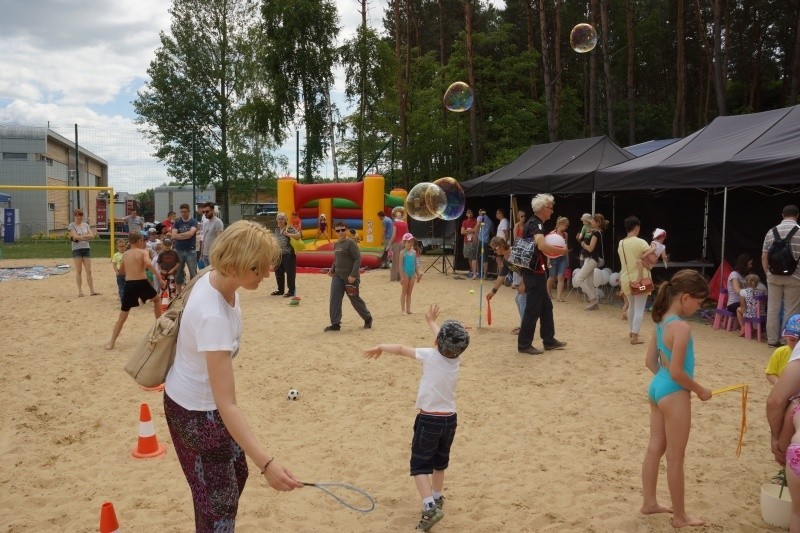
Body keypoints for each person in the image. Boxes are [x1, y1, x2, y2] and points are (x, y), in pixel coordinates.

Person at [163, 220, 303, 531]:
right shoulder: (213, 315)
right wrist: (267, 464)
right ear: (236, 264)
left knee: (235, 474)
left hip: (202, 406)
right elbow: (227, 404)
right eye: (258, 268)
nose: (266, 275)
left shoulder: (221, 282)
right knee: (218, 507)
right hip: (195, 414)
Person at [362, 304, 470, 532]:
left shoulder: (431, 355)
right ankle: (438, 497)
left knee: (420, 466)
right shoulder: (455, 359)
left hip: (429, 420)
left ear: (437, 343)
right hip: (450, 419)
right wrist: (431, 322)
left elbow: (401, 349)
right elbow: (443, 342)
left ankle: (429, 507)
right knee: (440, 463)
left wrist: (381, 346)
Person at [641, 269, 711, 529]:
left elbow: (650, 361)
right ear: (685, 298)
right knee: (675, 457)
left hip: (657, 387)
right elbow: (679, 372)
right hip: (674, 392)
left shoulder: (660, 321)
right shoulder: (681, 327)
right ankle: (679, 516)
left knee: (654, 447)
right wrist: (700, 389)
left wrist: (666, 378)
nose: (698, 306)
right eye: (698, 301)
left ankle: (649, 502)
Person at [517, 194, 568, 355]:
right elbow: (543, 246)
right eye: (550, 208)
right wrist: (562, 251)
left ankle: (549, 339)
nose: (552, 211)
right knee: (533, 309)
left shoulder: (533, 223)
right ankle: (524, 344)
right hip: (534, 272)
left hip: (536, 271)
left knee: (546, 307)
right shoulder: (536, 225)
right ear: (541, 209)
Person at [105, 232, 162, 350]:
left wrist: (131, 270)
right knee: (157, 299)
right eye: (142, 240)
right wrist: (160, 279)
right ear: (139, 241)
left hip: (130, 284)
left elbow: (121, 271)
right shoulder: (143, 252)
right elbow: (148, 264)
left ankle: (112, 342)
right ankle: (159, 325)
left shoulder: (125, 254)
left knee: (123, 315)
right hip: (142, 282)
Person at [762, 205, 800, 347]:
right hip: (795, 278)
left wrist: (767, 274)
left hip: (773, 276)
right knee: (791, 309)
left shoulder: (771, 232)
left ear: (782, 215)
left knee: (773, 308)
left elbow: (764, 256)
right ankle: (786, 341)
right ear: (797, 216)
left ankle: (772, 340)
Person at [324, 220, 373, 331]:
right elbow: (336, 259)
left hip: (350, 277)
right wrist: (332, 269)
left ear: (346, 230)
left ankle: (367, 318)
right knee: (334, 299)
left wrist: (353, 274)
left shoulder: (350, 243)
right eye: (338, 230)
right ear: (335, 231)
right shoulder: (336, 244)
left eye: (342, 230)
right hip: (337, 276)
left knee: (354, 299)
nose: (340, 232)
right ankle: (335, 324)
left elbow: (357, 258)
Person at [618, 216, 653, 345]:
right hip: (640, 280)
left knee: (632, 307)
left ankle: (632, 331)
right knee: (639, 308)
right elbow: (651, 258)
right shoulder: (641, 242)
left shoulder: (621, 243)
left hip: (626, 279)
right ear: (637, 227)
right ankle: (635, 336)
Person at [486, 236, 527, 333]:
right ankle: (524, 325)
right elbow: (502, 276)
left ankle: (525, 328)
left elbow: (527, 269)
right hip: (527, 280)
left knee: (521, 300)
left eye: (494, 248)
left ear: (501, 246)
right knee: (518, 299)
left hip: (532, 279)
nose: (494, 251)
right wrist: (493, 292)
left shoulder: (514, 253)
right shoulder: (506, 258)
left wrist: (523, 284)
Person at [574, 213, 608, 311]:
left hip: (591, 258)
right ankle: (594, 303)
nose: (591, 222)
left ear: (597, 223)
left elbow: (590, 248)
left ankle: (593, 300)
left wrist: (583, 244)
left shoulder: (596, 233)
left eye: (593, 221)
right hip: (592, 259)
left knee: (579, 279)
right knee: (589, 282)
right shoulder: (599, 232)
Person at [68, 208, 99, 297]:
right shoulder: (72, 225)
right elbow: (75, 236)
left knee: (88, 271)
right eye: (78, 215)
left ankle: (92, 290)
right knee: (79, 271)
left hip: (86, 248)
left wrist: (81, 237)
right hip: (77, 250)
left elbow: (91, 236)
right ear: (75, 216)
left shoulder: (86, 225)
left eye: (81, 215)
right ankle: (80, 291)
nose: (80, 217)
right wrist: (84, 237)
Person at [271, 212, 301, 297]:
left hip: (288, 254)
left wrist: (288, 234)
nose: (280, 220)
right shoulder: (276, 230)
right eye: (279, 218)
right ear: (276, 220)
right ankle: (280, 290)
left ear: (286, 220)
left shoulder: (289, 228)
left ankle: (291, 291)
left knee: (290, 273)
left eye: (282, 219)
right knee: (278, 272)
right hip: (278, 254)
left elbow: (299, 235)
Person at [171, 203, 199, 293]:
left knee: (193, 272)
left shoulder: (193, 221)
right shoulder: (177, 222)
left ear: (189, 211)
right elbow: (173, 235)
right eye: (182, 212)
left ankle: (193, 291)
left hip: (191, 250)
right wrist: (185, 235)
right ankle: (179, 292)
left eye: (185, 212)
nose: (183, 214)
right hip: (178, 250)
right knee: (178, 272)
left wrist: (179, 235)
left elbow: (191, 234)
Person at [765, 314, 800, 384]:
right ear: (786, 338)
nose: (797, 345)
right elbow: (770, 373)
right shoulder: (781, 352)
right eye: (792, 340)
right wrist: (779, 384)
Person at [546, 216, 570, 302]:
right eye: (566, 225)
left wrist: (567, 259)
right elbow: (548, 247)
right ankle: (548, 293)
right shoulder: (552, 233)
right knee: (552, 277)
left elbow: (566, 247)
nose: (566, 227)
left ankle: (559, 296)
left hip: (562, 258)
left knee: (561, 277)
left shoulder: (565, 234)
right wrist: (548, 259)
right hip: (553, 257)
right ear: (561, 224)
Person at [399, 232, 422, 314]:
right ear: (404, 242)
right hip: (405, 273)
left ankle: (408, 309)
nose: (411, 243)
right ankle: (403, 309)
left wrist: (418, 273)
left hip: (412, 274)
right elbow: (400, 265)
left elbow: (415, 264)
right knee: (404, 292)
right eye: (409, 242)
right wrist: (401, 277)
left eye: (412, 241)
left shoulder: (414, 252)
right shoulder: (402, 253)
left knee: (409, 292)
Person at [725, 252, 752, 320]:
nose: (751, 266)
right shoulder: (734, 274)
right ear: (744, 264)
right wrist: (750, 293)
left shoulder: (746, 276)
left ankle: (752, 327)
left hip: (743, 302)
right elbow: (737, 290)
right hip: (733, 303)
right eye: (750, 264)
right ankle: (746, 326)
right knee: (752, 308)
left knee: (757, 307)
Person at [200, 202, 224, 267]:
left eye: (207, 211)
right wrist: (201, 254)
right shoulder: (206, 222)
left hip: (213, 254)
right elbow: (204, 239)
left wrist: (217, 254)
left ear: (213, 210)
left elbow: (220, 239)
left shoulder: (218, 222)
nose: (205, 213)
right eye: (203, 212)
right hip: (205, 254)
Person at [390, 208, 409, 282]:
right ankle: (404, 276)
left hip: (397, 243)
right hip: (403, 243)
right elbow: (407, 234)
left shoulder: (395, 224)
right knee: (403, 260)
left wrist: (389, 244)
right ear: (401, 216)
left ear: (396, 216)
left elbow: (394, 235)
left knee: (396, 260)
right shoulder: (405, 223)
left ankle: (396, 277)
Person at [476, 208, 494, 279]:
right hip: (486, 241)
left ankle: (479, 273)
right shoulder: (490, 220)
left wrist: (475, 234)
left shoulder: (480, 217)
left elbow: (478, 225)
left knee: (477, 256)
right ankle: (485, 275)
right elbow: (492, 231)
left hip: (480, 240)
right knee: (485, 257)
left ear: (481, 212)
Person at [460, 209, 478, 279]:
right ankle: (473, 272)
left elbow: (475, 231)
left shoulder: (475, 221)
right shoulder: (464, 222)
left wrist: (467, 230)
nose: (470, 214)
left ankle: (475, 273)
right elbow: (462, 232)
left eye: (471, 213)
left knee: (473, 257)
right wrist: (470, 231)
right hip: (466, 241)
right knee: (468, 257)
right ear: (466, 214)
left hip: (473, 241)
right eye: (469, 213)